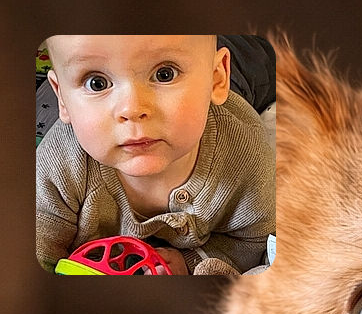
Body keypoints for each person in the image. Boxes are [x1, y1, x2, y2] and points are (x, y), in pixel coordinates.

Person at [36, 34, 275, 275]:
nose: (132, 109)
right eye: (96, 83)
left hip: (236, 85)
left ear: (216, 78)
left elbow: (253, 242)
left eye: (165, 74)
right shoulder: (56, 169)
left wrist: (190, 261)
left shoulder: (247, 155)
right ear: (63, 100)